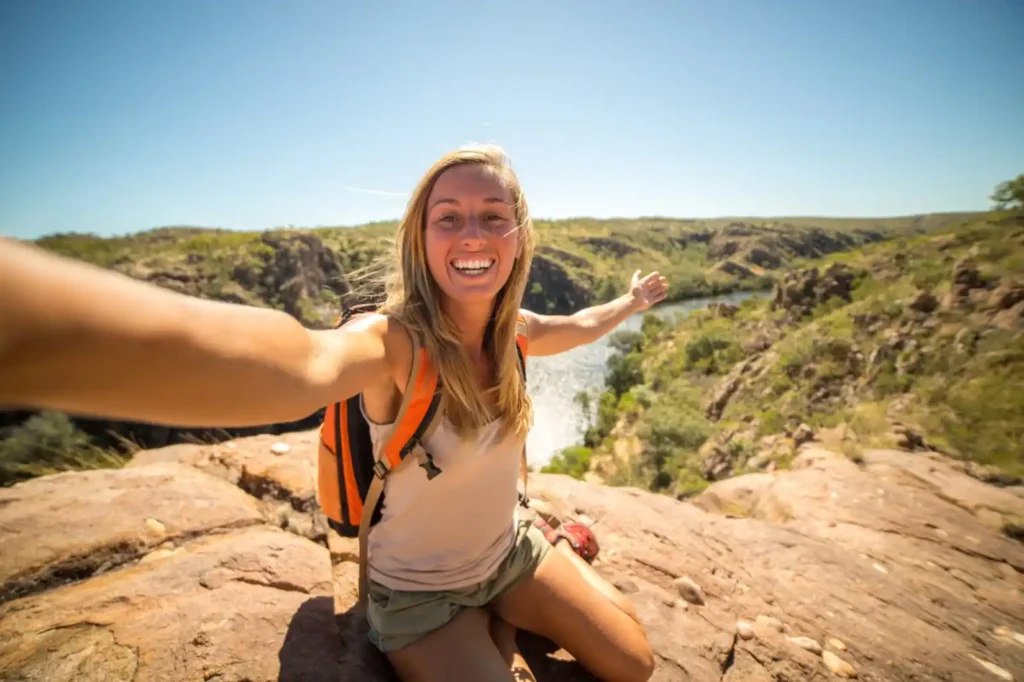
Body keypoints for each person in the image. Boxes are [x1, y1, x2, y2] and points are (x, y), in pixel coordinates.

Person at [0, 144, 666, 682]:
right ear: (422, 236)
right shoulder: (392, 343)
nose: (473, 233)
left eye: (494, 215)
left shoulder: (513, 331)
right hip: (420, 598)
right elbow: (299, 363)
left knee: (634, 664)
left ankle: (506, 603)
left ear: (519, 237)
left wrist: (630, 304)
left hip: (508, 553)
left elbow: (577, 324)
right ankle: (488, 627)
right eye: (449, 216)